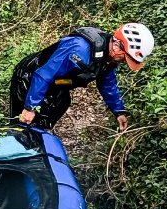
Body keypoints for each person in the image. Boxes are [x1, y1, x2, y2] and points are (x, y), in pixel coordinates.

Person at [10, 23, 154, 131]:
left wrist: (118, 112)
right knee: (22, 123)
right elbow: (44, 75)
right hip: (30, 77)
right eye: (125, 58)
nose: (124, 62)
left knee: (56, 109)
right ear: (117, 46)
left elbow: (108, 84)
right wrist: (30, 107)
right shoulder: (80, 49)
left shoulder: (107, 60)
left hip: (56, 84)